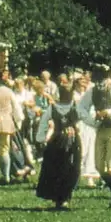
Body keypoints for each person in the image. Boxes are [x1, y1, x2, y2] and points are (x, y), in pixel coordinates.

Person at [81, 65, 111, 208]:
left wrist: (108, 112)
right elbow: (81, 107)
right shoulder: (93, 90)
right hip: (102, 128)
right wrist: (92, 120)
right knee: (99, 166)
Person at [34, 76, 81, 210]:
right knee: (70, 167)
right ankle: (65, 196)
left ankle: (59, 198)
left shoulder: (52, 108)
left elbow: (43, 123)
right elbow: (83, 121)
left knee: (56, 168)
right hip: (72, 140)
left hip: (56, 140)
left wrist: (40, 138)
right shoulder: (75, 107)